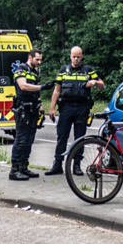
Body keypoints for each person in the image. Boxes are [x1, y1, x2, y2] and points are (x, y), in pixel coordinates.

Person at [45, 47, 105, 176]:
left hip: (81, 107)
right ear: (70, 56)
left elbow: (102, 85)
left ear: (82, 56)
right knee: (62, 137)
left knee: (80, 138)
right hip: (66, 107)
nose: (76, 59)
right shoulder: (63, 71)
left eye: (78, 56)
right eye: (74, 56)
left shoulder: (88, 70)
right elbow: (57, 90)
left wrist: (94, 82)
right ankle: (57, 164)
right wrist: (52, 108)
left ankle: (76, 165)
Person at [9, 49, 53, 181]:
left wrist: (40, 107)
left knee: (29, 140)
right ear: (30, 57)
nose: (39, 62)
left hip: (33, 109)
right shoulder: (21, 69)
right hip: (23, 109)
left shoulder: (34, 71)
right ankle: (14, 170)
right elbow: (23, 86)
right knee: (21, 139)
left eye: (40, 59)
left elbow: (35, 93)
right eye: (37, 59)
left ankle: (23, 167)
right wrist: (42, 87)